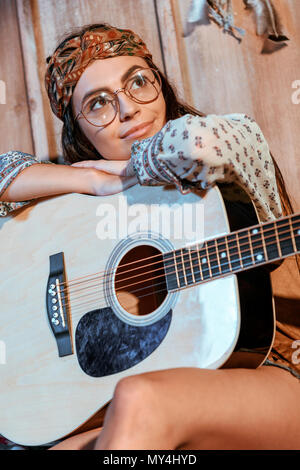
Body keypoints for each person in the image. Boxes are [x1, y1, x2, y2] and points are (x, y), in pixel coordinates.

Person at [0, 23, 299, 451]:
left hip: (278, 367)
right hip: (179, 385)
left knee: (141, 400)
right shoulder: (80, 205)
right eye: (98, 103)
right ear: (78, 132)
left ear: (161, 85)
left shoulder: (234, 137)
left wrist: (119, 172)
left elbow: (197, 145)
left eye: (138, 82)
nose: (128, 109)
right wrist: (84, 181)